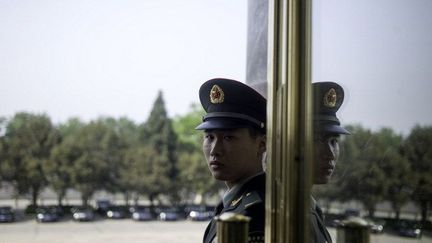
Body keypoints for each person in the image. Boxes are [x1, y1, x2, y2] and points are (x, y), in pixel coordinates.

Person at [195, 78, 267, 243]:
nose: (215, 150)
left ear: (262, 144)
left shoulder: (255, 213)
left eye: (228, 137)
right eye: (209, 137)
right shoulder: (234, 203)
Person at [310, 82, 351, 243]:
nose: (330, 154)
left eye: (334, 141)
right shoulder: (287, 213)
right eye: (316, 140)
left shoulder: (311, 210)